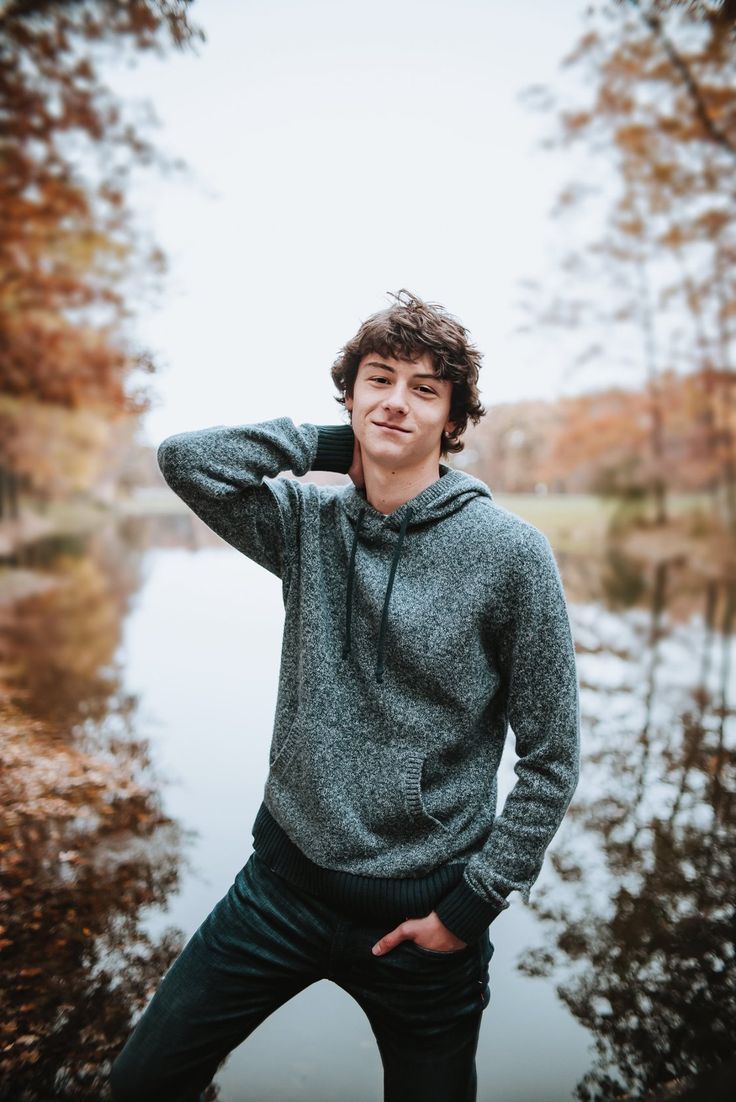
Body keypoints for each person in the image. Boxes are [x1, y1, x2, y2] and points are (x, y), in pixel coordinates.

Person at [109, 288, 581, 1102]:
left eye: (424, 390)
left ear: (453, 417)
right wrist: (338, 445)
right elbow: (188, 459)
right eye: (379, 380)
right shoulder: (306, 524)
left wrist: (468, 911)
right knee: (142, 1082)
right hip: (279, 891)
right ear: (351, 393)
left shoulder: (511, 556)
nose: (397, 401)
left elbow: (552, 757)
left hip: (423, 919)